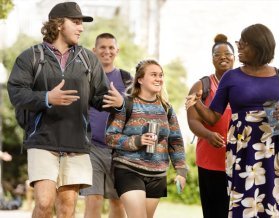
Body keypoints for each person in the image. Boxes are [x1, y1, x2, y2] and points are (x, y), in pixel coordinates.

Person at [7, 2, 123, 218]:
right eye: (76, 22)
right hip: (42, 140)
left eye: (81, 23)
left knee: (67, 208)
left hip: (76, 143)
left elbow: (101, 97)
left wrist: (118, 103)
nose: (81, 28)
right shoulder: (31, 57)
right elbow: (16, 93)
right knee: (44, 202)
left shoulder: (89, 59)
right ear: (59, 24)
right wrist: (46, 97)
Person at [186, 23, 279, 217]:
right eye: (239, 43)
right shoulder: (232, 77)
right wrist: (196, 103)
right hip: (242, 151)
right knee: (242, 206)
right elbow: (212, 116)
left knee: (271, 206)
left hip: (272, 151)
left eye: (243, 44)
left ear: (259, 46)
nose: (239, 47)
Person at [106, 59, 188, 218]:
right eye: (153, 75)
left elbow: (176, 141)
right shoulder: (126, 104)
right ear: (140, 79)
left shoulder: (166, 108)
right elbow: (110, 137)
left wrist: (181, 171)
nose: (159, 78)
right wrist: (137, 141)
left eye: (161, 75)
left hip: (157, 174)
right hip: (128, 169)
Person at [80, 33, 132, 218]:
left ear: (117, 51)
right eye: (102, 47)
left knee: (118, 203)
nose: (107, 51)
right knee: (93, 200)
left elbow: (136, 112)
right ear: (94, 51)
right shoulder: (84, 78)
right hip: (91, 148)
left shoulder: (127, 80)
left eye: (111, 47)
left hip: (119, 151)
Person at [186, 34, 234, 218]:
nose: (223, 57)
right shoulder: (201, 86)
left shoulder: (243, 83)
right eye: (217, 54)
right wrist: (207, 134)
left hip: (241, 160)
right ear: (212, 59)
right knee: (214, 212)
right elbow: (192, 121)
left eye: (227, 53)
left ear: (234, 57)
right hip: (211, 162)